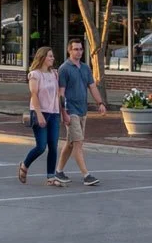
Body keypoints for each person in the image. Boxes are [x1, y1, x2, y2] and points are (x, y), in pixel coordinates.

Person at [54, 38, 107, 186]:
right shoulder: (64, 69)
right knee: (78, 143)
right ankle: (86, 175)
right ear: (69, 50)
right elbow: (61, 93)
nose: (79, 52)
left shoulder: (85, 68)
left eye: (81, 49)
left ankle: (59, 171)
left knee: (70, 143)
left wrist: (100, 103)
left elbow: (92, 87)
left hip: (82, 110)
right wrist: (64, 112)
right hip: (71, 111)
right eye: (75, 49)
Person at [18, 46, 62, 187]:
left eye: (53, 56)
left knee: (53, 146)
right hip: (39, 112)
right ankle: (25, 165)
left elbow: (58, 95)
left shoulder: (55, 74)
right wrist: (39, 114)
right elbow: (34, 95)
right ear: (42, 57)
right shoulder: (35, 74)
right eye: (50, 56)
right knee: (41, 146)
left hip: (54, 113)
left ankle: (51, 177)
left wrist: (63, 112)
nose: (52, 58)